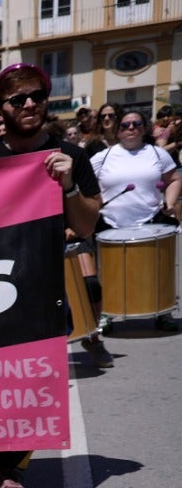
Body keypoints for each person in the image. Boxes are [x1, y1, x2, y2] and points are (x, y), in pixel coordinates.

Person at [0, 62, 100, 488]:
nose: (30, 104)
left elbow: (86, 224)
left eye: (37, 95)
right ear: (0, 108)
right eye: (19, 99)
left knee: (31, 385)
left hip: (42, 288)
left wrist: (68, 185)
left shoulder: (71, 155)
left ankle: (8, 469)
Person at [91, 107, 180, 332]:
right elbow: (86, 186)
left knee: (155, 270)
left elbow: (174, 179)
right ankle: (106, 315)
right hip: (110, 223)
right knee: (109, 274)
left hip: (149, 220)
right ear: (118, 131)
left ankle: (162, 312)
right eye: (125, 125)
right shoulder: (104, 156)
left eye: (136, 124)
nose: (131, 128)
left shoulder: (157, 153)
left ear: (144, 128)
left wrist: (169, 203)